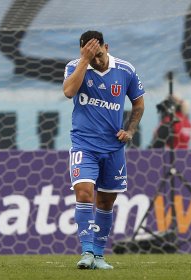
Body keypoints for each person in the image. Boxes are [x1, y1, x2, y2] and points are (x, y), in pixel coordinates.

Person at [63, 30, 145, 269]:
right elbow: (69, 92)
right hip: (83, 144)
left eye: (98, 54)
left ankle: (99, 255)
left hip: (113, 148)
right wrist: (84, 61)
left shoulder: (125, 70)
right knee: (84, 192)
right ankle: (86, 252)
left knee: (107, 202)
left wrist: (130, 130)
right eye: (91, 55)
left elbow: (138, 103)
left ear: (106, 47)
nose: (96, 60)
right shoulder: (75, 67)